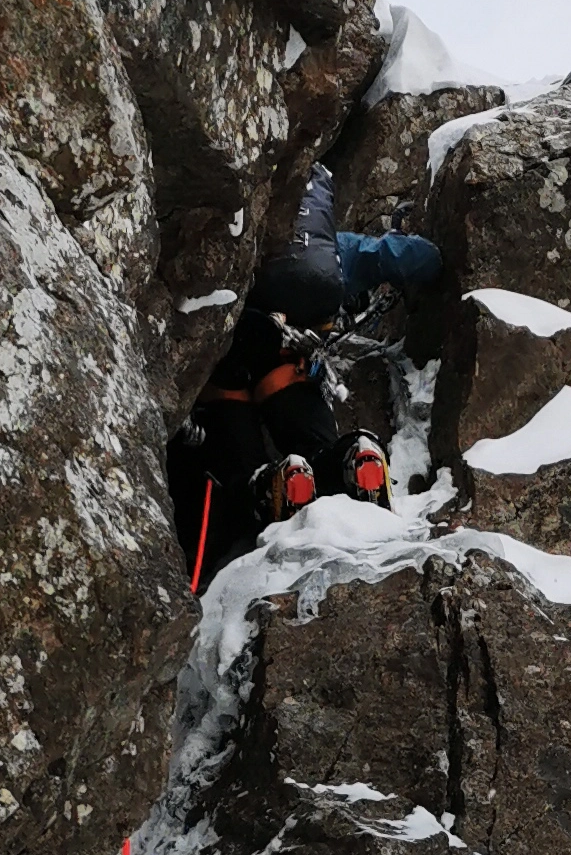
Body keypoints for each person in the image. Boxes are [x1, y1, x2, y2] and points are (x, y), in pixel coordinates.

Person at [177, 166, 442, 573]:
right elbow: (414, 258)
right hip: (291, 366)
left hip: (225, 370)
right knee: (316, 444)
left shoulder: (246, 245)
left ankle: (274, 483)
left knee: (238, 474)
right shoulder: (334, 250)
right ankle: (352, 459)